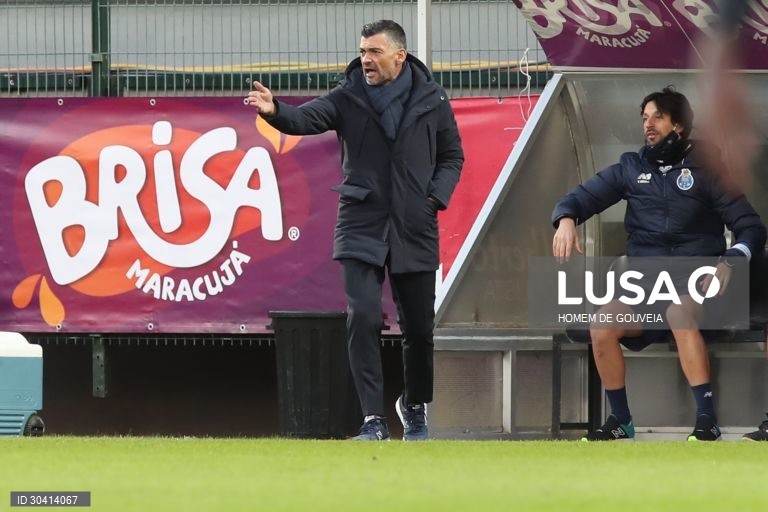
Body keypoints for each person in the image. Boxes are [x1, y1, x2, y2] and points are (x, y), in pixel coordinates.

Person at [247, 20, 464, 441]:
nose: (366, 59)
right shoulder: (348, 97)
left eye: (375, 52)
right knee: (362, 316)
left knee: (419, 328)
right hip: (360, 222)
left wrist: (433, 198)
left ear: (399, 55)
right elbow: (307, 118)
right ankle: (373, 420)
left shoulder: (433, 99)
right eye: (363, 51)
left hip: (414, 225)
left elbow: (452, 156)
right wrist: (275, 112)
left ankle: (413, 405)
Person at [551, 86, 766, 441]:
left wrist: (731, 260)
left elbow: (751, 227)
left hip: (700, 289)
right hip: (649, 290)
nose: (648, 125)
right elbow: (582, 197)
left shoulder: (708, 169)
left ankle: (706, 420)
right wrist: (566, 218)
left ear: (679, 125)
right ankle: (621, 420)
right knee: (601, 323)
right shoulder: (631, 168)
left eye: (658, 117)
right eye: (644, 118)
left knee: (679, 312)